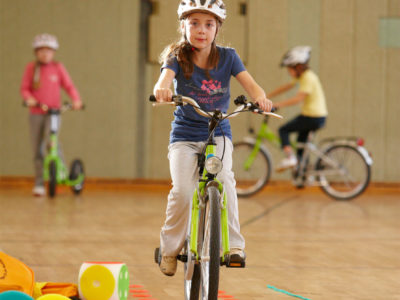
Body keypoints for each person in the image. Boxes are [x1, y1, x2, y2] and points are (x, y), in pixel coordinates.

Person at [153, 0, 272, 276]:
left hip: (218, 132)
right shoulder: (175, 56)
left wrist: (261, 100)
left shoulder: (229, 57)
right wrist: (162, 90)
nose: (201, 30)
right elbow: (164, 79)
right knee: (182, 191)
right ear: (184, 26)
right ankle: (170, 250)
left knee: (226, 182)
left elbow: (252, 86)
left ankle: (234, 247)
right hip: (184, 136)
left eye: (208, 24)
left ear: (217, 29)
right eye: (194, 23)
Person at [20, 33, 82, 196]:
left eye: (48, 50)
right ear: (36, 52)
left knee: (51, 140)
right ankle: (39, 183)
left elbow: (69, 86)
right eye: (41, 50)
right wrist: (29, 98)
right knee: (37, 148)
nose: (45, 53)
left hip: (54, 113)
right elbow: (25, 88)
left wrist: (76, 100)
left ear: (53, 52)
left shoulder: (58, 68)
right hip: (36, 113)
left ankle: (60, 172)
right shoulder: (32, 69)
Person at [270, 46, 328, 171]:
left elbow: (298, 99)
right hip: (314, 116)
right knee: (301, 144)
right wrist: (266, 96)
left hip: (313, 117)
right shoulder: (303, 76)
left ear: (298, 66)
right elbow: (287, 87)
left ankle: (290, 158)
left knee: (283, 130)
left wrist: (277, 104)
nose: (288, 71)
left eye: (289, 68)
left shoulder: (308, 77)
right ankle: (303, 172)